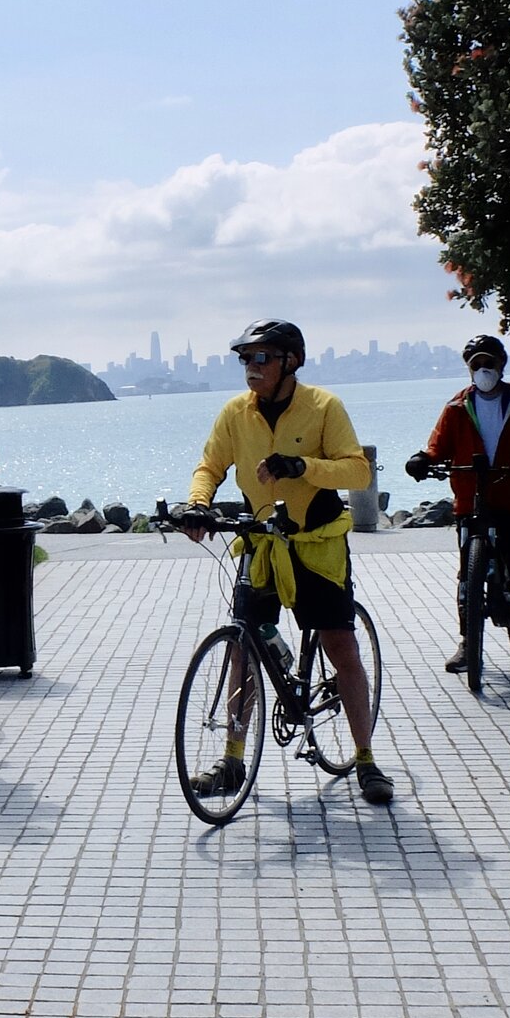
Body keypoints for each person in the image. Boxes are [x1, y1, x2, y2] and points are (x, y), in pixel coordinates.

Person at [172, 318, 392, 804]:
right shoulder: (235, 413)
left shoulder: (322, 406)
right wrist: (198, 504)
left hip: (317, 545)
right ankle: (232, 759)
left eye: (261, 358)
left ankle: (366, 759)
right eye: (246, 359)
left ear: (290, 361)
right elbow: (210, 466)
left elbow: (357, 469)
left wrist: (302, 466)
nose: (251, 368)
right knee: (241, 646)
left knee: (341, 645)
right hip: (262, 544)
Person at [405, 333, 510, 676]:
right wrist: (422, 459)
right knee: (467, 578)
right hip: (471, 502)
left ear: (501, 365)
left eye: (488, 363)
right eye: (476, 365)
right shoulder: (456, 407)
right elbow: (438, 446)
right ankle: (467, 642)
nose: (482, 369)